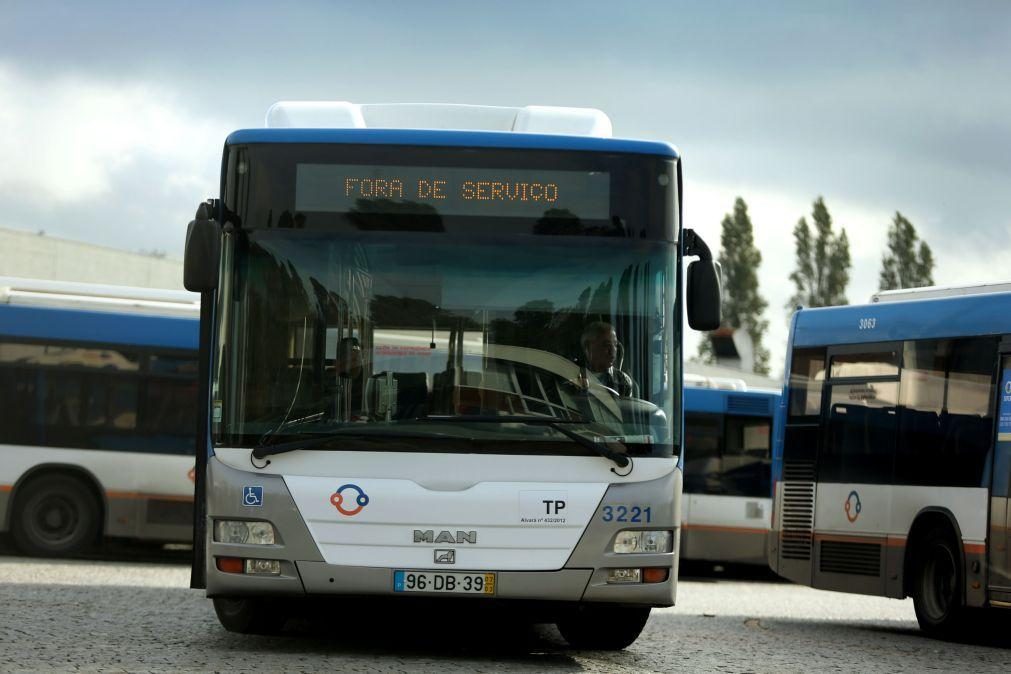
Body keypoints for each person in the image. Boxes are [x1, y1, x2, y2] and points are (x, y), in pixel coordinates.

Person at [580, 321, 636, 397]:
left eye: (615, 345)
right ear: (588, 347)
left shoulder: (622, 381)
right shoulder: (571, 373)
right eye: (607, 345)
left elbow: (626, 408)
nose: (613, 351)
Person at [335, 336, 365, 419]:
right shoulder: (327, 381)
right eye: (345, 357)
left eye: (354, 360)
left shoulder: (369, 383)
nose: (351, 364)